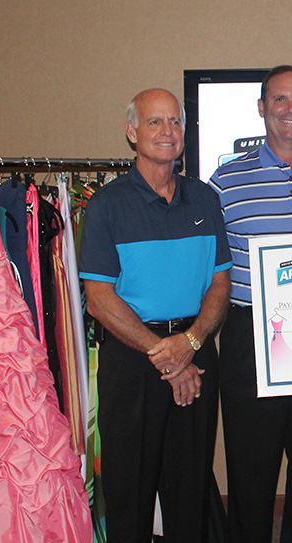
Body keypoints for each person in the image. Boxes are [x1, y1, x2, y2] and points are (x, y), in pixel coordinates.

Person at [79, 88, 232, 542]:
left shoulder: (205, 199)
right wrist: (166, 355)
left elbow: (220, 284)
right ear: (132, 132)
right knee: (131, 493)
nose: (167, 132)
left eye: (175, 122)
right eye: (154, 122)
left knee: (190, 491)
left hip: (197, 352)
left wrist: (190, 343)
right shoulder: (107, 205)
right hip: (134, 362)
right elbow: (98, 299)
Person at [208, 65, 292, 543]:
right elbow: (212, 266)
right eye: (280, 100)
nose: (291, 110)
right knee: (250, 470)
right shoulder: (225, 180)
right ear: (262, 109)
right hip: (250, 337)